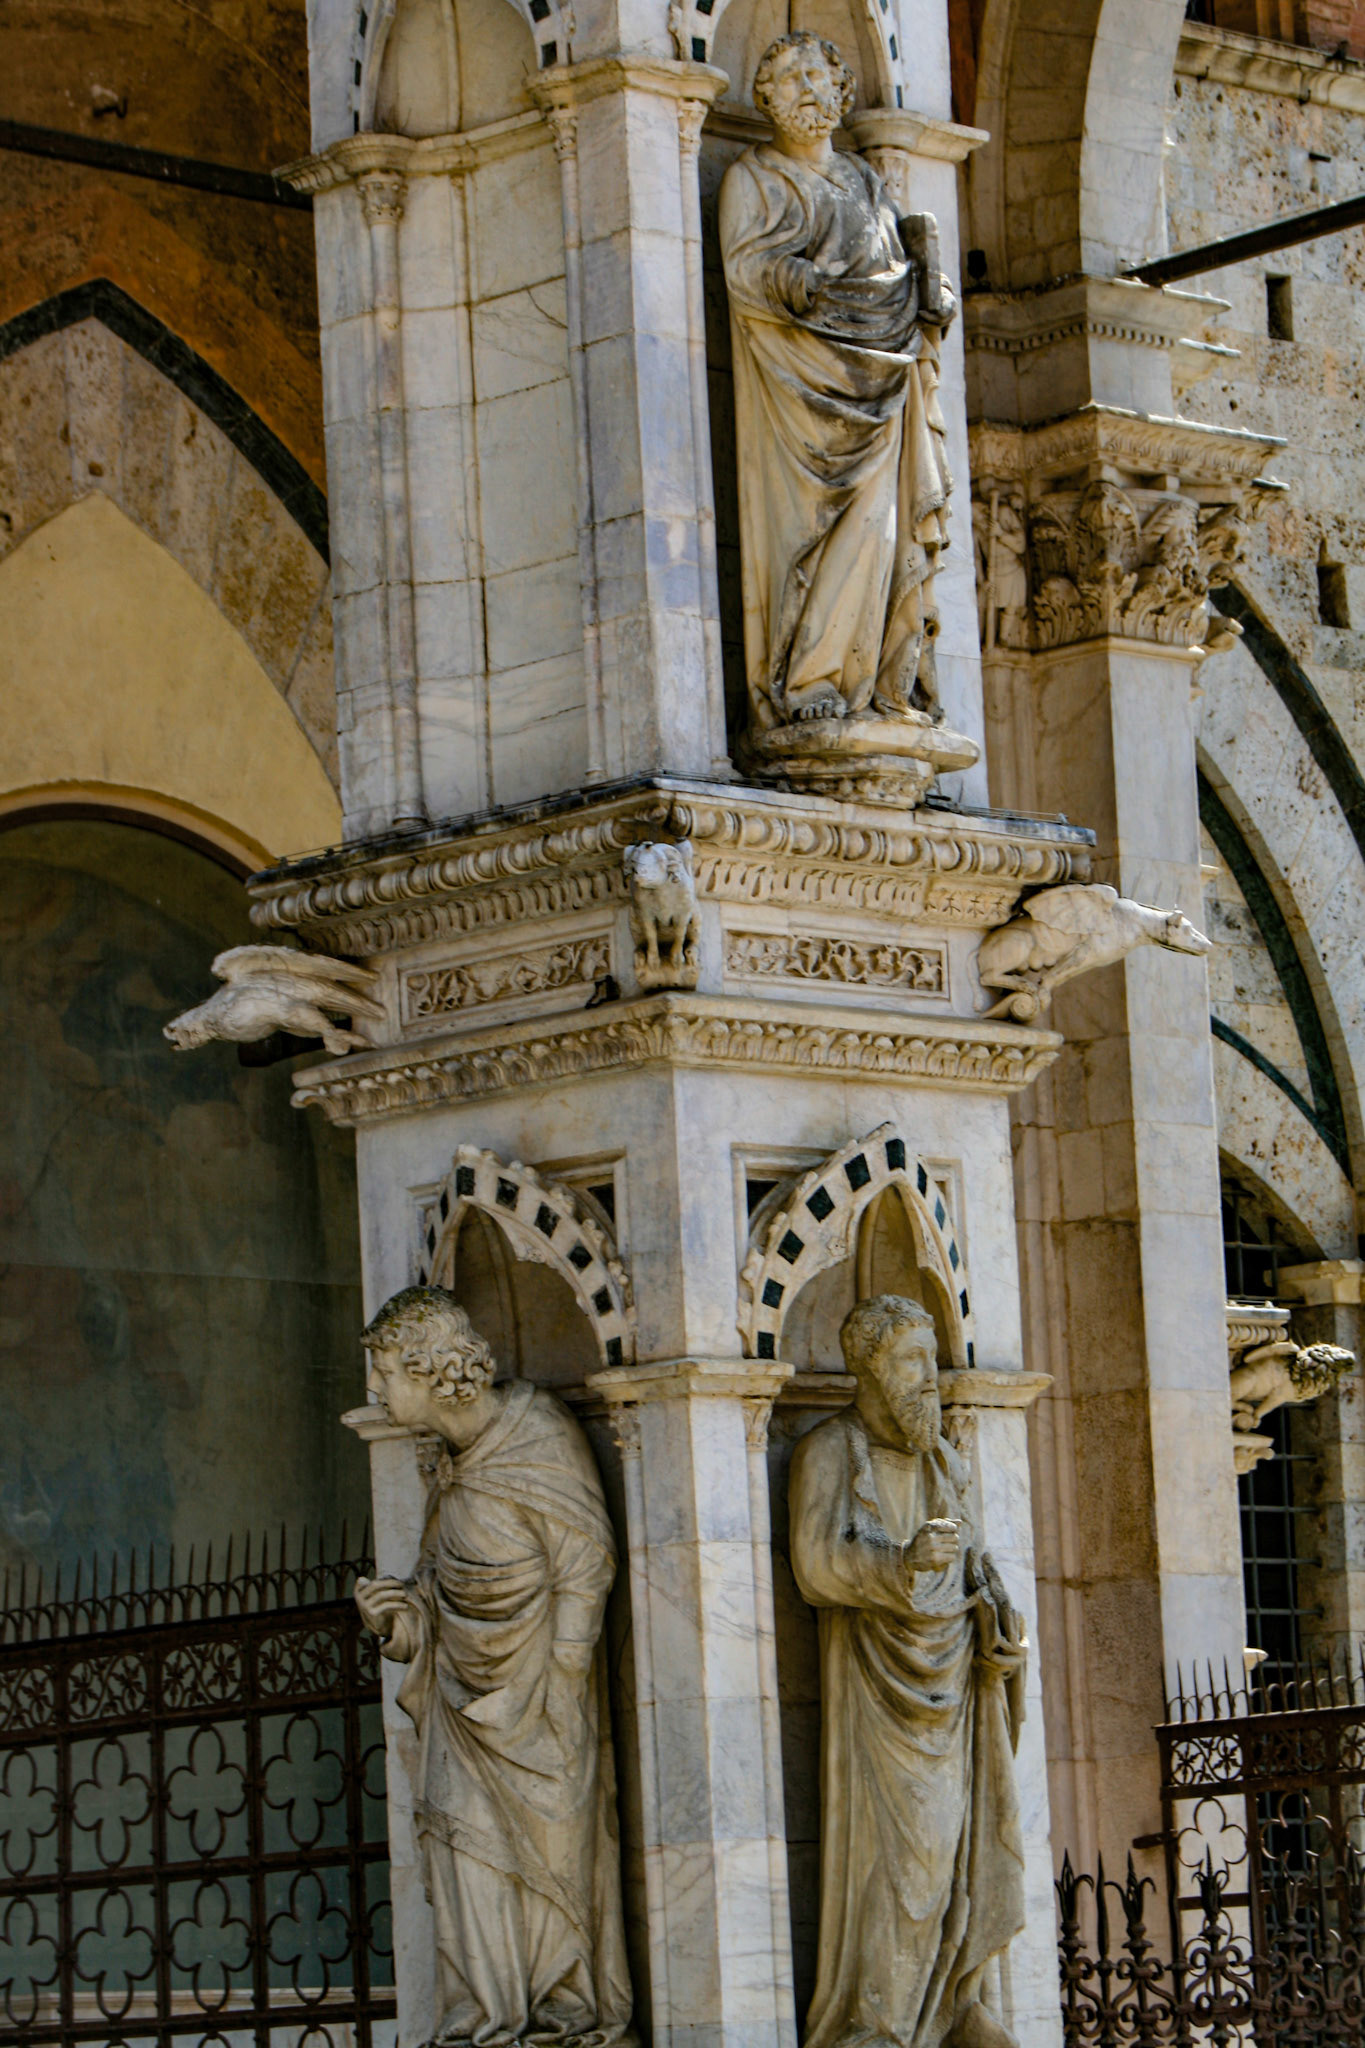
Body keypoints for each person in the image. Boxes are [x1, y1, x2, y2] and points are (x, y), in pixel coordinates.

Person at [355, 1286, 634, 2048]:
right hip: (461, 1709)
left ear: (432, 1368)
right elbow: (438, 1594)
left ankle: (562, 2011)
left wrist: (564, 1683)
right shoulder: (452, 1466)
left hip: (542, 1704)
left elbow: (586, 1563)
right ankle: (482, 2020)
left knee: (551, 1866)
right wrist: (399, 1617)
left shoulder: (534, 1433)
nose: (377, 1392)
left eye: (386, 1373)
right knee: (458, 1854)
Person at [788, 1295, 1026, 2048]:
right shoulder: (829, 1451)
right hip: (878, 1696)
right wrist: (899, 1564)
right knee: (898, 1864)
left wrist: (997, 1624)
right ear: (867, 1367)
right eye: (911, 1362)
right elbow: (814, 1566)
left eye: (932, 1359)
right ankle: (878, 2023)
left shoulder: (944, 1462)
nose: (930, 1378)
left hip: (955, 1692)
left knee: (956, 1853)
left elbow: (980, 1573)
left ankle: (955, 2001)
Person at [719, 33, 955, 739]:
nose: (805, 91)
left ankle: (880, 679)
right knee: (811, 532)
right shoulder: (751, 178)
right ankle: (809, 679)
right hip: (801, 391)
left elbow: (894, 266)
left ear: (843, 94)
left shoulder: (864, 181)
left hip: (884, 381)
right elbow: (744, 270)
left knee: (881, 533)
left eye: (817, 77)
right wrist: (797, 280)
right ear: (764, 98)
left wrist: (929, 291)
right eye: (788, 80)